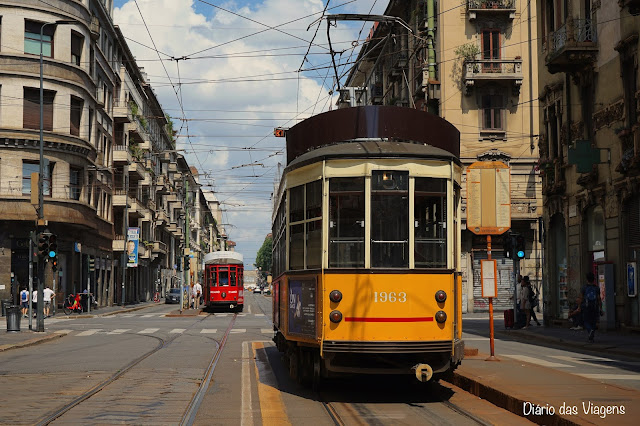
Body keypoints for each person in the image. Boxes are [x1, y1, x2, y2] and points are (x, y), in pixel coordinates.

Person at [579, 271, 602, 342]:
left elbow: (581, 298)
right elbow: (599, 299)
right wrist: (601, 308)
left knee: (586, 321)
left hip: (586, 307)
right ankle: (591, 335)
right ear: (594, 279)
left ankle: (590, 330)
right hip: (594, 307)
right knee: (593, 321)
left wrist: (579, 307)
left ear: (587, 279)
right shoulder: (596, 288)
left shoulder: (584, 288)